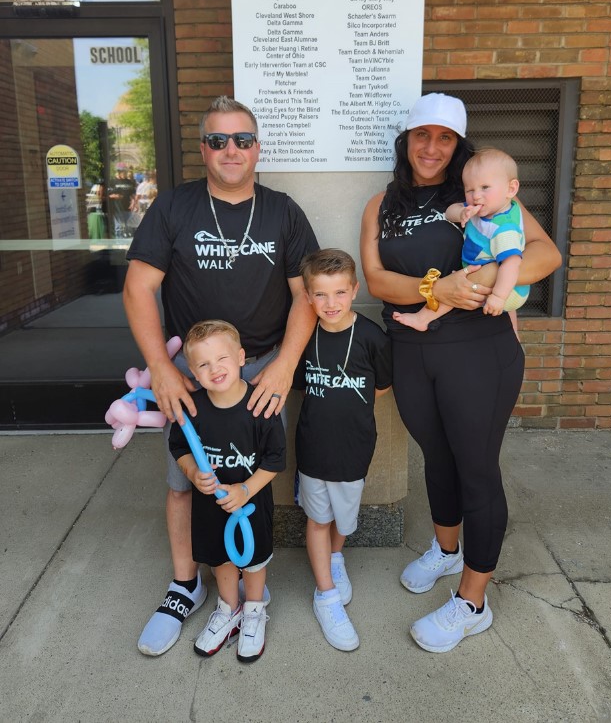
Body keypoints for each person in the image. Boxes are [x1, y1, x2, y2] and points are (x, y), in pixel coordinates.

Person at [360, 92, 561, 653]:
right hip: (413, 348)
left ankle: (473, 602)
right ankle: (447, 552)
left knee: (476, 467)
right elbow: (375, 280)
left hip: (478, 348)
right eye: (422, 135)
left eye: (444, 137)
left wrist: (484, 280)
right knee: (438, 457)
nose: (432, 147)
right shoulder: (382, 203)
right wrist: (435, 288)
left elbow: (545, 255)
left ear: (459, 145)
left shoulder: (484, 194)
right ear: (406, 141)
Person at [123, 95, 318, 656]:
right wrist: (161, 366)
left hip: (260, 369)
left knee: (253, 475)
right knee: (185, 480)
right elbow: (139, 286)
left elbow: (305, 294)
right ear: (202, 148)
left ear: (257, 148)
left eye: (241, 139)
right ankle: (185, 585)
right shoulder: (175, 207)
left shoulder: (283, 210)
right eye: (217, 140)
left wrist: (283, 365)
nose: (230, 149)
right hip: (193, 373)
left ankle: (248, 596)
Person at [168, 320, 285, 663]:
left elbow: (276, 459)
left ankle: (252, 610)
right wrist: (191, 470)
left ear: (241, 357)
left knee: (252, 560)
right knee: (220, 558)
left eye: (222, 358)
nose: (214, 369)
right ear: (192, 371)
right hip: (211, 505)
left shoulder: (259, 406)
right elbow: (180, 447)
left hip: (250, 504)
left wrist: (247, 489)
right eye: (203, 364)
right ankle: (228, 608)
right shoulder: (194, 409)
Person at [294, 249, 392, 652]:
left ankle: (336, 559)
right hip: (313, 447)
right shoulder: (303, 337)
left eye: (339, 292)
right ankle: (326, 595)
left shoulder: (371, 338)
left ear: (354, 290)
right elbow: (297, 384)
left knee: (342, 521)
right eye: (320, 294)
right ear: (307, 296)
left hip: (354, 448)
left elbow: (381, 388)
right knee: (317, 519)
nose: (330, 303)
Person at [393, 147, 528, 336]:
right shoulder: (487, 208)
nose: (476, 195)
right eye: (469, 190)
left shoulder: (504, 228)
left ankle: (422, 318)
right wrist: (461, 213)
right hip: (486, 273)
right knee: (456, 286)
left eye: (485, 188)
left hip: (508, 290)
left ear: (511, 189)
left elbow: (512, 265)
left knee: (454, 290)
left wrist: (498, 296)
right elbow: (449, 212)